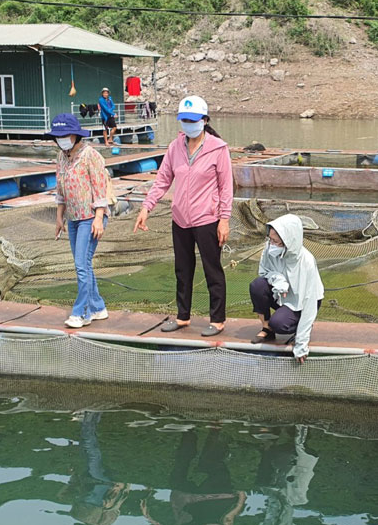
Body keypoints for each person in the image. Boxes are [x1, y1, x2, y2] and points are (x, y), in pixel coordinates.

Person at [133, 96, 232, 337]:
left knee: (212, 269)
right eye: (184, 120)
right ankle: (183, 316)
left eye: (193, 120)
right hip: (180, 220)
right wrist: (146, 207)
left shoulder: (218, 149)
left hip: (207, 219)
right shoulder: (174, 147)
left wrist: (224, 219)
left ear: (204, 120)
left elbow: (226, 186)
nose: (188, 124)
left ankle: (217, 319)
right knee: (182, 269)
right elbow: (163, 180)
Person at [49, 112, 112, 329]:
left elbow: (100, 187)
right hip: (73, 217)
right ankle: (98, 307)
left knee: (81, 265)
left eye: (65, 135)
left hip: (90, 217)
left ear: (75, 135)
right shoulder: (61, 157)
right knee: (83, 264)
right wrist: (59, 216)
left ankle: (81, 312)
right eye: (58, 136)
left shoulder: (90, 155)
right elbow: (61, 189)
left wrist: (99, 217)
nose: (62, 139)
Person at [248, 214, 325, 364]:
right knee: (257, 285)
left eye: (275, 241)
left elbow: (309, 303)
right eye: (270, 239)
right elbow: (264, 272)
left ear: (288, 241)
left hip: (304, 302)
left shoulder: (306, 262)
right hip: (281, 294)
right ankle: (266, 329)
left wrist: (302, 344)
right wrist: (278, 279)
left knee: (279, 324)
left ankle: (299, 326)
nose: (271, 244)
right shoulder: (270, 249)